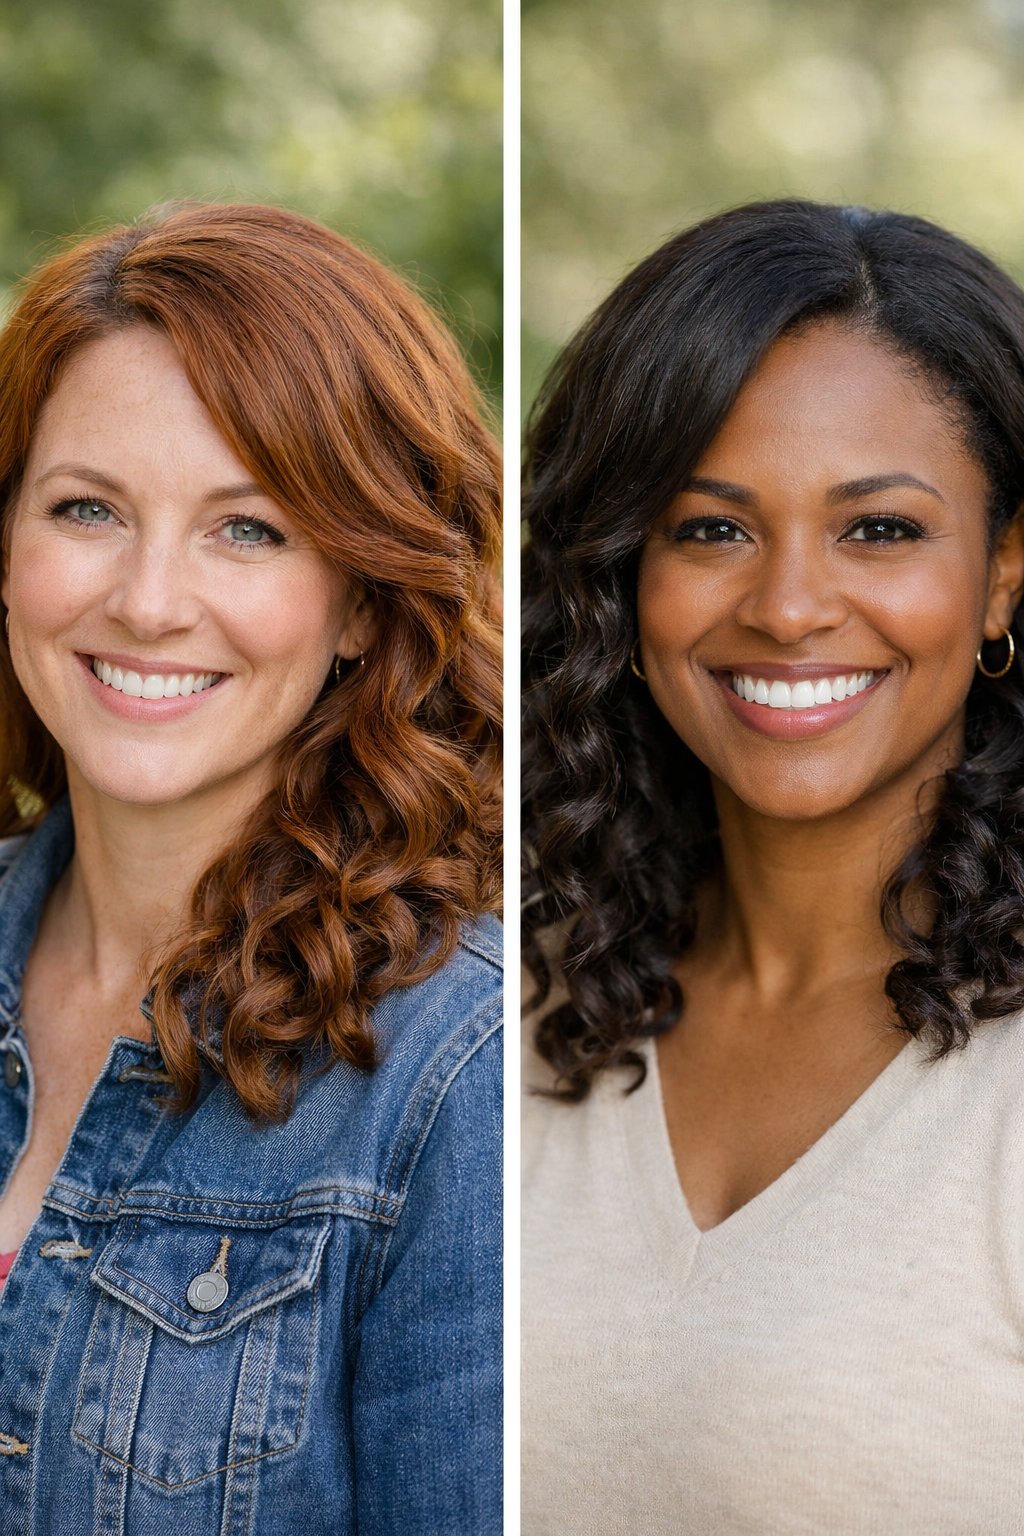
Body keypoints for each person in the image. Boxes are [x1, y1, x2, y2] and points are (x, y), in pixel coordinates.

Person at [521, 199, 1024, 1534]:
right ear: (622, 579)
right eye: (711, 530)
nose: (790, 606)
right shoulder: (509, 1009)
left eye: (879, 531)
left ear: (1004, 576)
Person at [0, 201, 502, 1535]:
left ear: (361, 596)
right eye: (88, 508)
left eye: (249, 528)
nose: (151, 598)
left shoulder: (461, 1073)